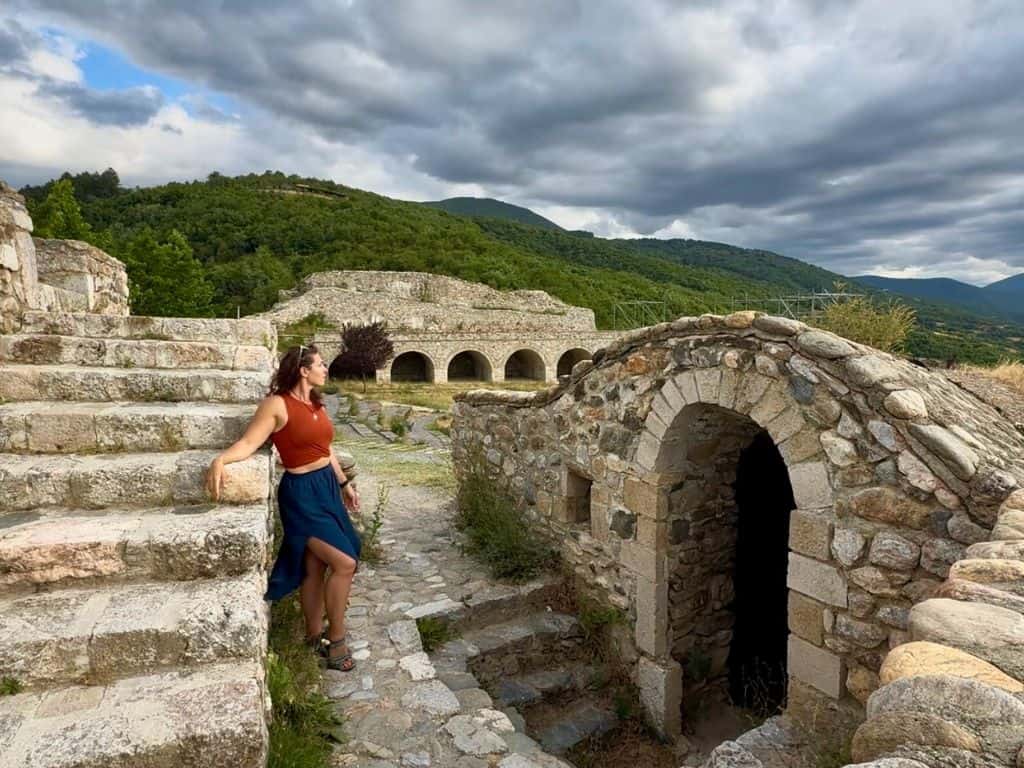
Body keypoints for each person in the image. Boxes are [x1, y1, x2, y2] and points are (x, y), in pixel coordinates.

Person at [206, 344, 362, 672]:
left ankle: (312, 634)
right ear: (303, 370)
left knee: (314, 566)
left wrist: (344, 484)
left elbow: (326, 448)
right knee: (345, 563)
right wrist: (222, 459)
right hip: (302, 494)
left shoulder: (316, 402)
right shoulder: (277, 404)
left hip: (327, 488)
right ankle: (337, 640)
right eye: (320, 364)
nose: (325, 369)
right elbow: (250, 442)